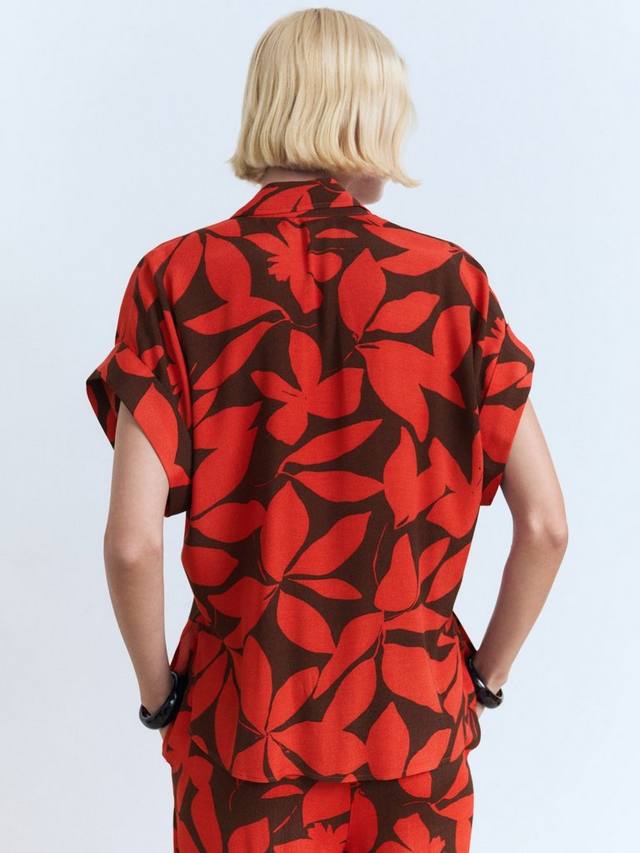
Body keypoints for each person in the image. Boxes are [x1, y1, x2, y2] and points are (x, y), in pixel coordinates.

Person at [85, 8, 568, 852]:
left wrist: (161, 696)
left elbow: (133, 544)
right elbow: (546, 526)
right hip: (416, 727)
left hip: (242, 728)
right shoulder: (449, 286)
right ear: (365, 118)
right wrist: (481, 683)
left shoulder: (178, 279)